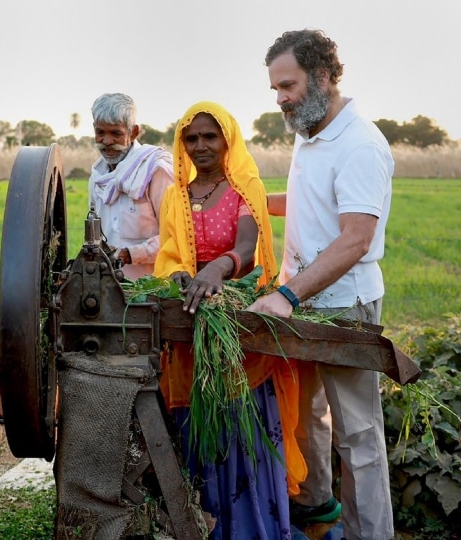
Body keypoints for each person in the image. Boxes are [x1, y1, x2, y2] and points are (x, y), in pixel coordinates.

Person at [247, 29, 395, 540]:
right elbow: (310, 201)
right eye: (276, 89)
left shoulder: (360, 144)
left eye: (287, 86)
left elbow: (354, 238)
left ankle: (368, 535)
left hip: (344, 306)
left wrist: (286, 295)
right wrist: (249, 199)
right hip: (305, 302)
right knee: (309, 414)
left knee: (359, 435)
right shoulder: (308, 132)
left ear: (325, 75)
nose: (281, 99)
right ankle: (316, 511)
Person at [154, 101, 306, 539]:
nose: (201, 146)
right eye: (191, 138)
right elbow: (167, 254)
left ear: (228, 140)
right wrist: (179, 275)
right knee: (195, 429)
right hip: (188, 327)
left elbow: (247, 246)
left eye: (210, 136)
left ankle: (252, 529)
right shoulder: (175, 196)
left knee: (243, 427)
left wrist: (218, 268)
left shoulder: (244, 188)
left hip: (236, 325)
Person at [89, 92, 174, 280]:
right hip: (109, 288)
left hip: (154, 290)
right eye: (100, 133)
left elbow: (175, 236)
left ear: (133, 132)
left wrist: (130, 254)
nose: (107, 141)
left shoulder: (155, 169)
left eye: (116, 133)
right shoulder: (97, 176)